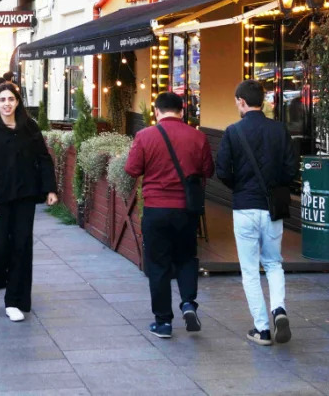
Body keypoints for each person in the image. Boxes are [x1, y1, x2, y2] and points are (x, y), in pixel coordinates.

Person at [124, 92, 215, 339]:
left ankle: (163, 322)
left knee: (159, 264)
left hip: (156, 209)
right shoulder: (198, 136)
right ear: (182, 111)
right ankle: (188, 303)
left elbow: (131, 169)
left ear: (156, 111)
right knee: (186, 257)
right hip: (186, 209)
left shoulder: (144, 136)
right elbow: (208, 170)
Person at [215, 79, 297, 346]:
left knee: (250, 270)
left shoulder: (233, 131)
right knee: (273, 263)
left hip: (245, 207)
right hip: (272, 208)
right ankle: (279, 310)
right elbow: (291, 170)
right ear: (262, 101)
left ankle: (262, 329)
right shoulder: (279, 130)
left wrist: (240, 187)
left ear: (241, 101)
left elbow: (223, 171)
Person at [0, 83, 57, 322]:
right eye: (2, 100)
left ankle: (14, 301)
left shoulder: (29, 127)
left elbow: (43, 158)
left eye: (11, 99)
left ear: (17, 101)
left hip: (25, 196)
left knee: (22, 246)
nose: (7, 104)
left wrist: (50, 187)